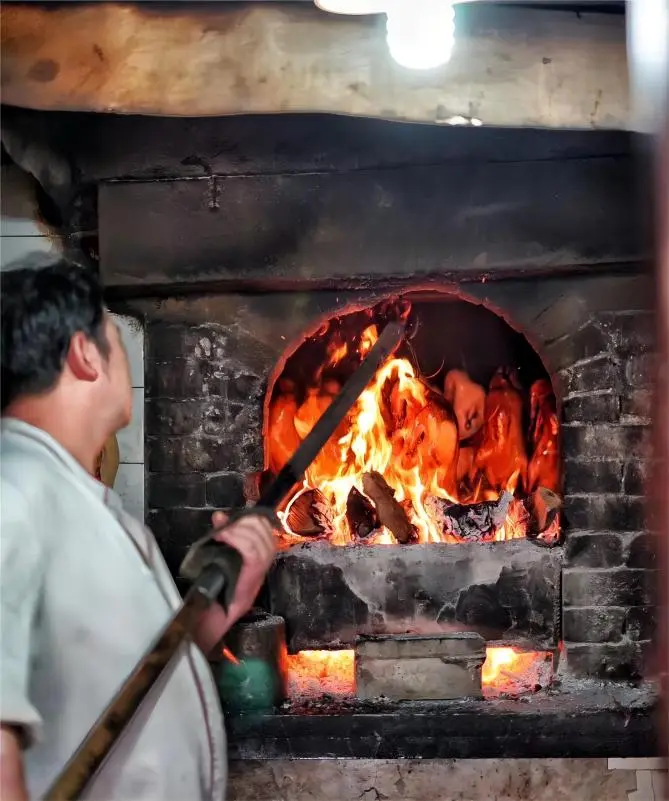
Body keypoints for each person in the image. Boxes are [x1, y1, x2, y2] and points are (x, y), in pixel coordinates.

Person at [0, 255, 277, 801]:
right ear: (85, 354)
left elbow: (135, 676)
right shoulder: (14, 494)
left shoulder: (74, 502)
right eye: (112, 335)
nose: (122, 352)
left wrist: (226, 605)